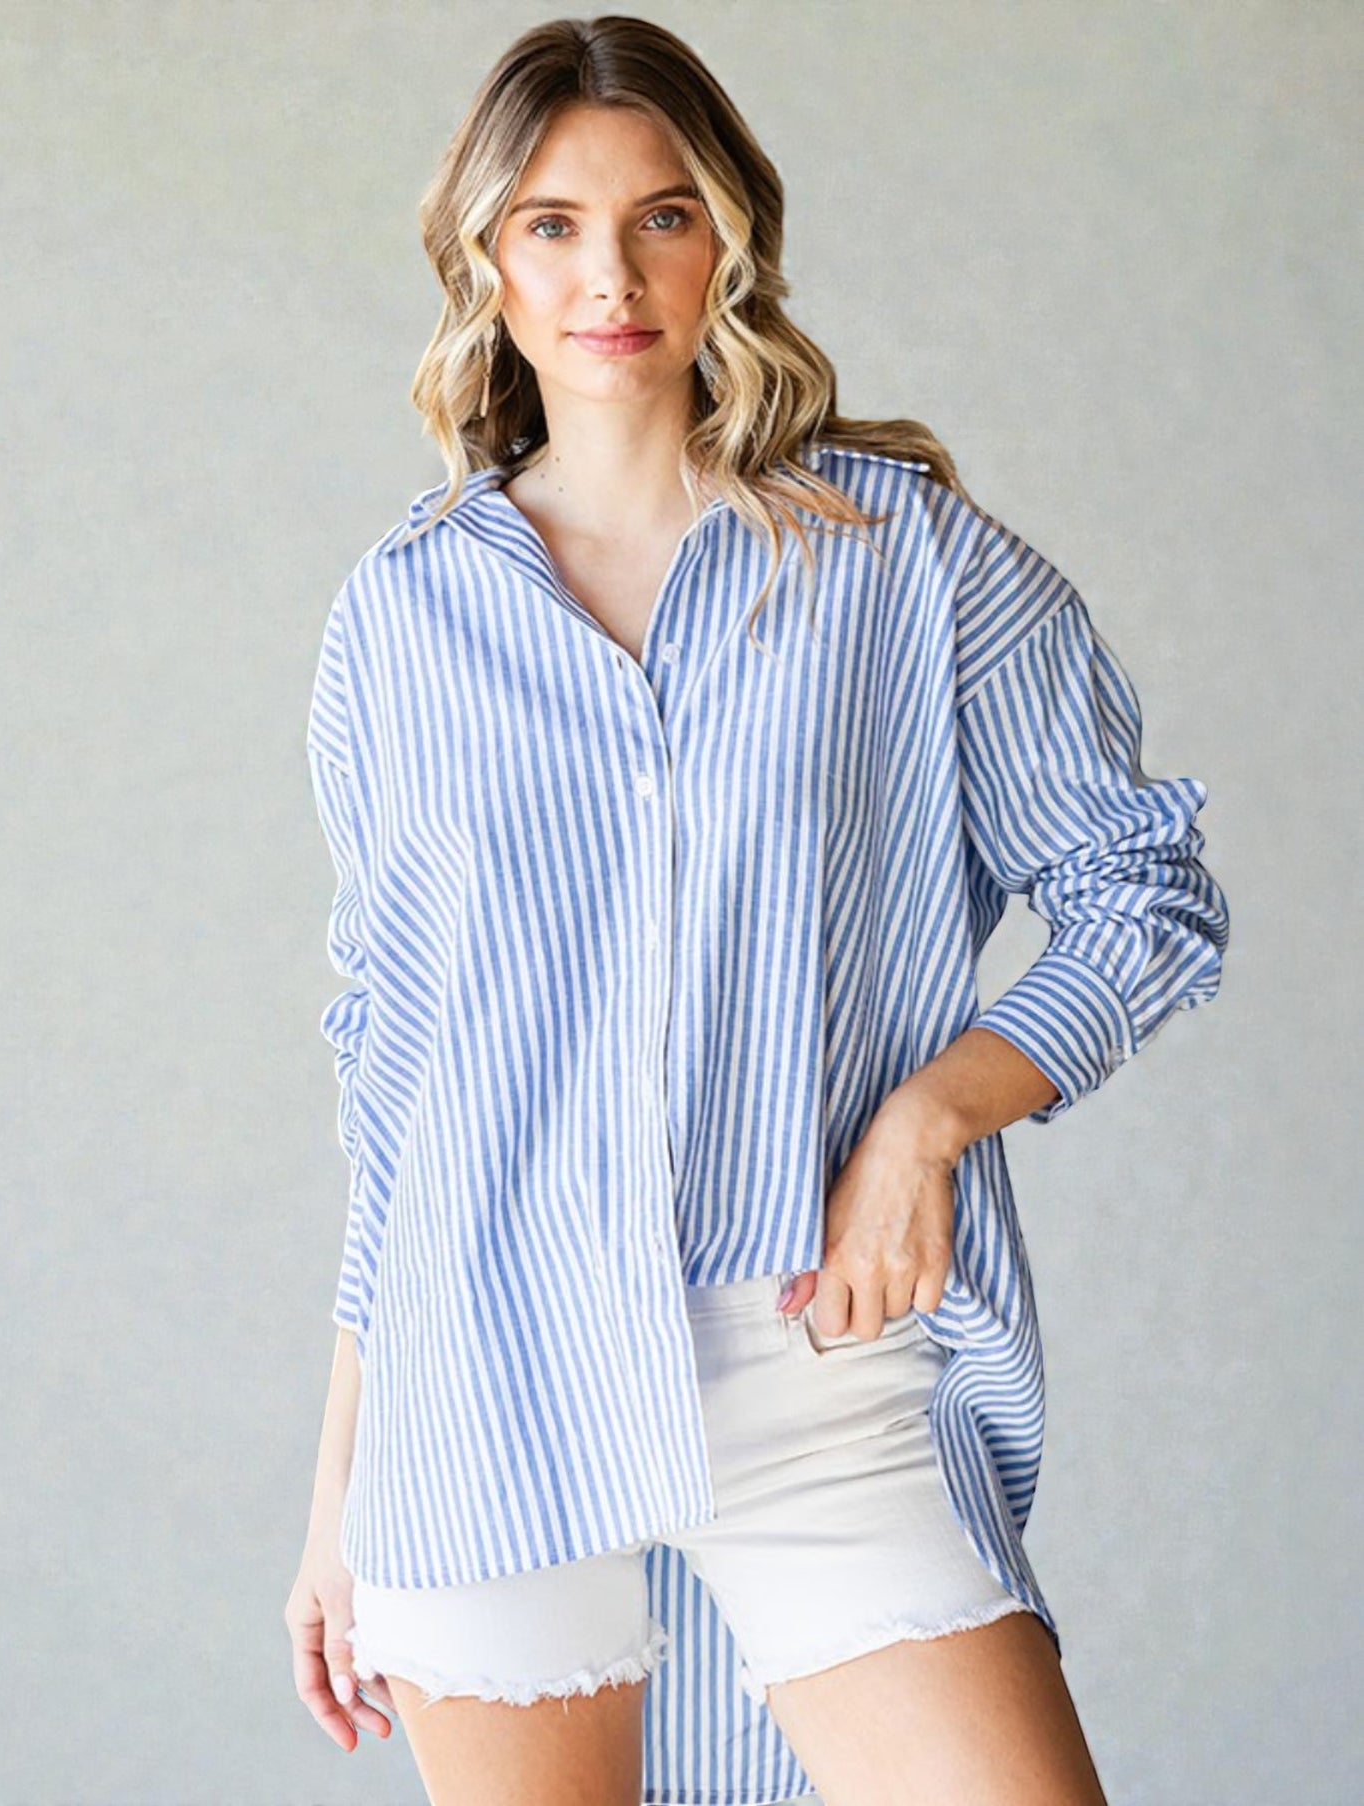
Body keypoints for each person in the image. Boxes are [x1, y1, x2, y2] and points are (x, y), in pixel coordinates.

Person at [283, 16, 1230, 1806]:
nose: (607, 273)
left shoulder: (904, 562)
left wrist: (929, 1117)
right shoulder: (400, 621)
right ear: (485, 256)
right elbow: (397, 1078)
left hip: (814, 1366)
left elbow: (1140, 884)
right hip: (490, 1385)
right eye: (550, 223)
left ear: (727, 237)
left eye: (658, 216)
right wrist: (339, 1501)